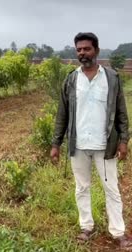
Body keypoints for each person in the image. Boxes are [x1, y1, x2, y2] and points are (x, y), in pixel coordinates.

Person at [50, 32, 131, 249]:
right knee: (81, 188)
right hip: (79, 146)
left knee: (111, 189)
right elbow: (62, 114)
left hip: (106, 145)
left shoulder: (111, 78)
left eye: (86, 48)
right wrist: (56, 144)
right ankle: (86, 226)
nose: (82, 53)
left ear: (95, 49)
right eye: (78, 49)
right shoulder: (71, 79)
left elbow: (121, 112)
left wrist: (124, 140)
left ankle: (118, 232)